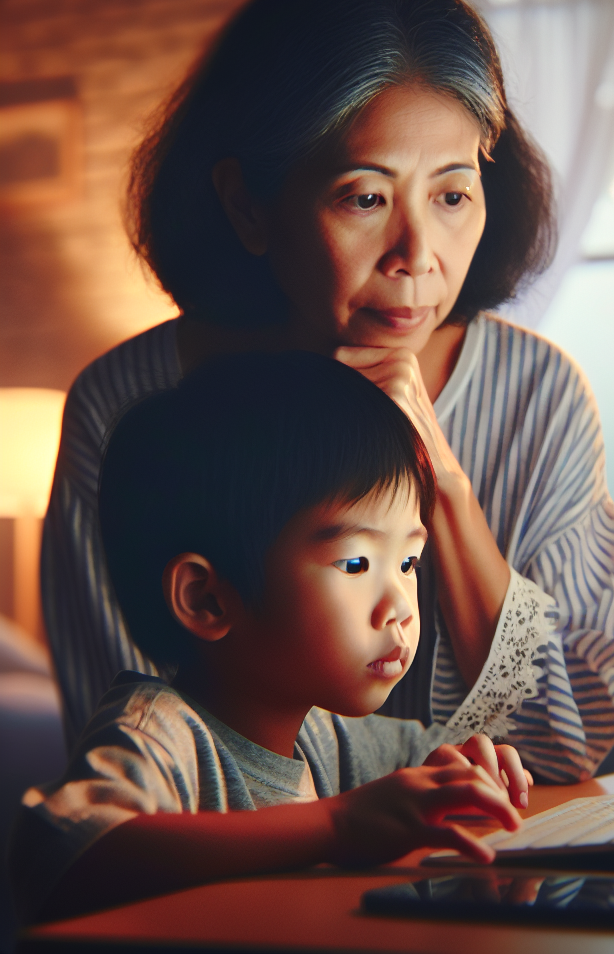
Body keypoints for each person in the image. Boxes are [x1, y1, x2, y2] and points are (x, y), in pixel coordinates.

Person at [42, 0, 614, 782]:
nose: (418, 257)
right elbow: (126, 767)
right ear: (248, 205)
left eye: (452, 194)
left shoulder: (538, 398)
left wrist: (446, 486)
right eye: (365, 198)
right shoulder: (128, 407)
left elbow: (559, 750)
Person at [14, 351, 531, 925]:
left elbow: (433, 771)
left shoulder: (330, 739)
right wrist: (337, 825)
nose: (400, 610)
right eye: (356, 564)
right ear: (208, 599)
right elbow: (62, 856)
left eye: (408, 562)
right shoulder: (164, 734)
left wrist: (467, 773)